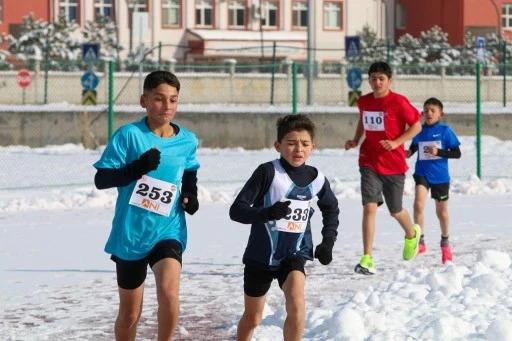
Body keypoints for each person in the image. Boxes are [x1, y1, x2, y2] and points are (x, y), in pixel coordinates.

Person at [93, 70, 200, 341]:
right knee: (130, 313)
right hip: (131, 234)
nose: (167, 107)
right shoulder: (128, 135)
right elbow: (102, 178)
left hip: (168, 229)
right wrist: (136, 168)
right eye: (159, 99)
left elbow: (189, 169)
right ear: (144, 101)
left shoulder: (187, 139)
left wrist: (190, 193)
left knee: (169, 293)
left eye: (173, 100)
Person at [229, 114, 339, 341]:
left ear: (312, 147)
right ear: (278, 146)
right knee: (253, 318)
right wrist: (268, 213)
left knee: (297, 303)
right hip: (260, 257)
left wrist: (327, 242)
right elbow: (237, 210)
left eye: (305, 144)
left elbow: (331, 210)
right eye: (291, 143)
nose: (298, 149)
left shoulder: (317, 178)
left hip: (294, 254)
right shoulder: (268, 172)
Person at [344, 61, 422, 275]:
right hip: (369, 161)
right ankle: (367, 258)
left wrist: (397, 142)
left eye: (381, 79)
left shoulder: (399, 102)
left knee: (395, 210)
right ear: (368, 80)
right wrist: (355, 140)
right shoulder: (364, 101)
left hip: (394, 164)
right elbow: (363, 122)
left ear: (389, 80)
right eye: (373, 79)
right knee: (369, 207)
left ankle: (411, 234)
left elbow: (417, 126)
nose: (377, 83)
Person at [406, 97, 461, 264]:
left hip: (441, 178)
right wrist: (407, 153)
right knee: (418, 204)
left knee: (441, 213)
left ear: (440, 114)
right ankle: (420, 241)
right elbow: (414, 148)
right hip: (422, 174)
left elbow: (457, 153)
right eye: (425, 110)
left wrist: (438, 151)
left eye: (432, 110)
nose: (428, 113)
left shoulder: (445, 131)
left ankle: (445, 243)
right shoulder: (418, 130)